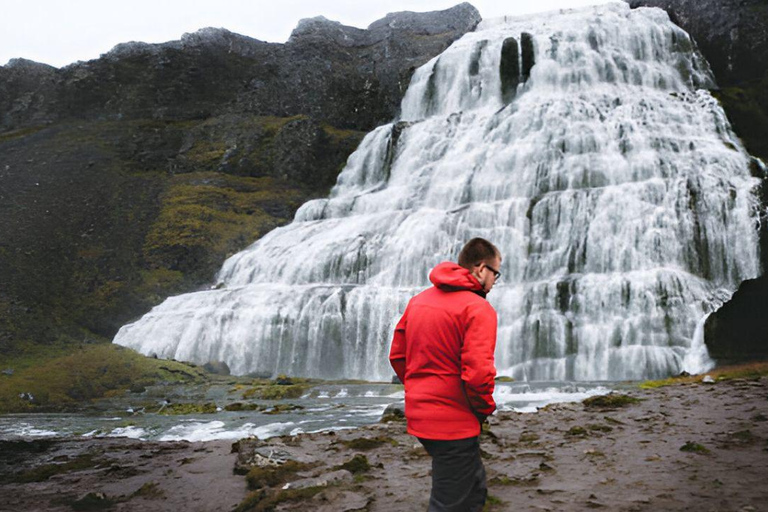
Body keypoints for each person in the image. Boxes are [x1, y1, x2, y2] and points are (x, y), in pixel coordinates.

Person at [389, 237, 501, 512]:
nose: (496, 281)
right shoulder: (477, 308)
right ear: (480, 269)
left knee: (473, 486)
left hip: (421, 416)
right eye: (496, 273)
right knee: (449, 501)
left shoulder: (419, 301)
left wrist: (420, 391)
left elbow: (397, 356)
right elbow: (477, 374)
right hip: (454, 421)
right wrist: (485, 408)